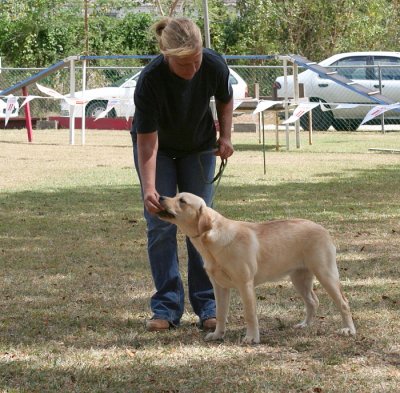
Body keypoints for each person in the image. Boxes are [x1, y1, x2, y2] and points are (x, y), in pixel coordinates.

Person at [131, 17, 234, 332]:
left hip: (198, 149)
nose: (192, 70)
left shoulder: (214, 64)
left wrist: (225, 136)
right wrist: (150, 188)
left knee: (202, 226)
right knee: (160, 227)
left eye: (196, 61)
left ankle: (208, 306)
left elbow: (225, 98)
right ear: (167, 55)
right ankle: (166, 307)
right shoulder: (150, 80)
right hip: (159, 151)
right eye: (184, 64)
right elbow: (147, 142)